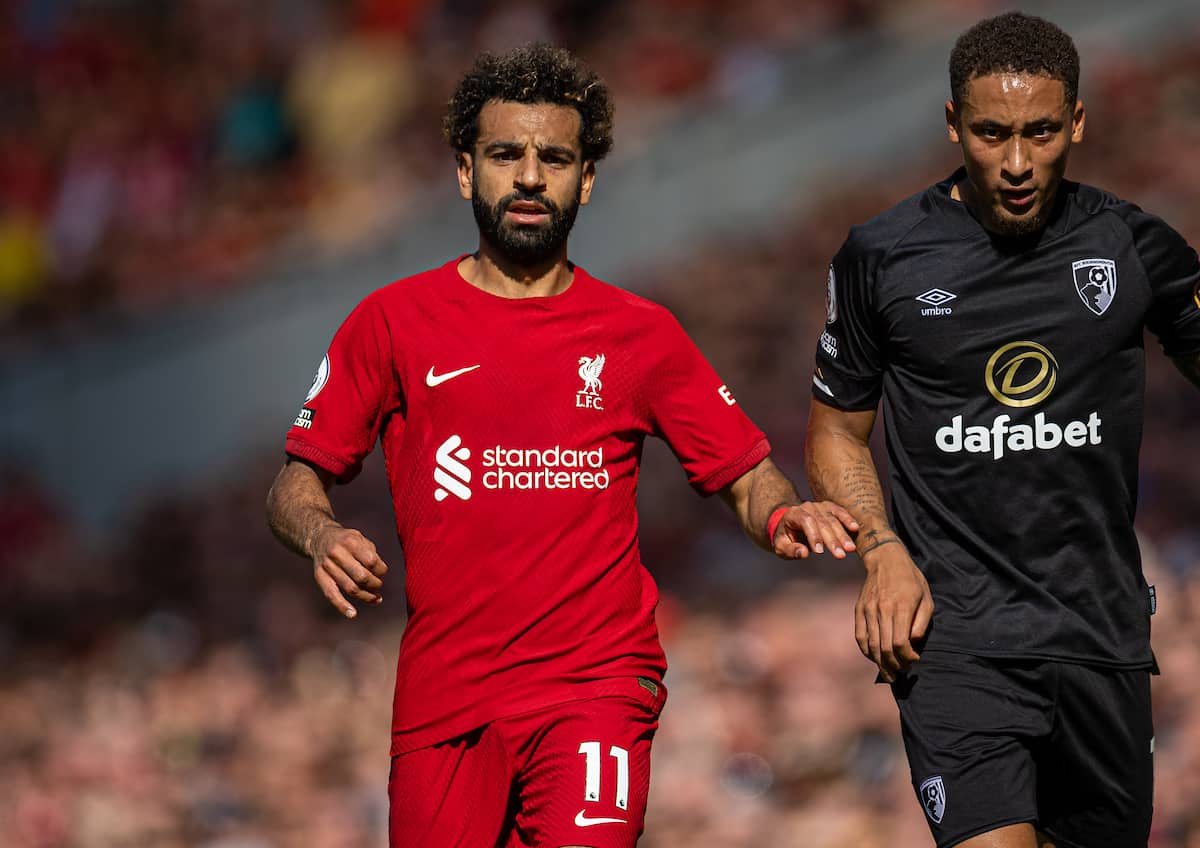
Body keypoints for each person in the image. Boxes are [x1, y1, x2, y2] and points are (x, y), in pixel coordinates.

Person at [266, 43, 857, 848]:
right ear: (466, 172)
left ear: (586, 179)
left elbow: (746, 474)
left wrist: (784, 517)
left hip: (596, 685)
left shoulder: (640, 335)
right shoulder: (393, 322)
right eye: (507, 154)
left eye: (555, 157)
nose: (531, 176)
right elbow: (295, 483)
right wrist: (322, 533)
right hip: (448, 698)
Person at [804, 12, 1200, 848]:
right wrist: (880, 552)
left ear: (1078, 122)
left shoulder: (1130, 244)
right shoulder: (882, 256)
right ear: (953, 124)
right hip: (956, 640)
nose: (1017, 163)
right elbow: (837, 432)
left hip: (1100, 636)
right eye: (990, 133)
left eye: (1041, 132)